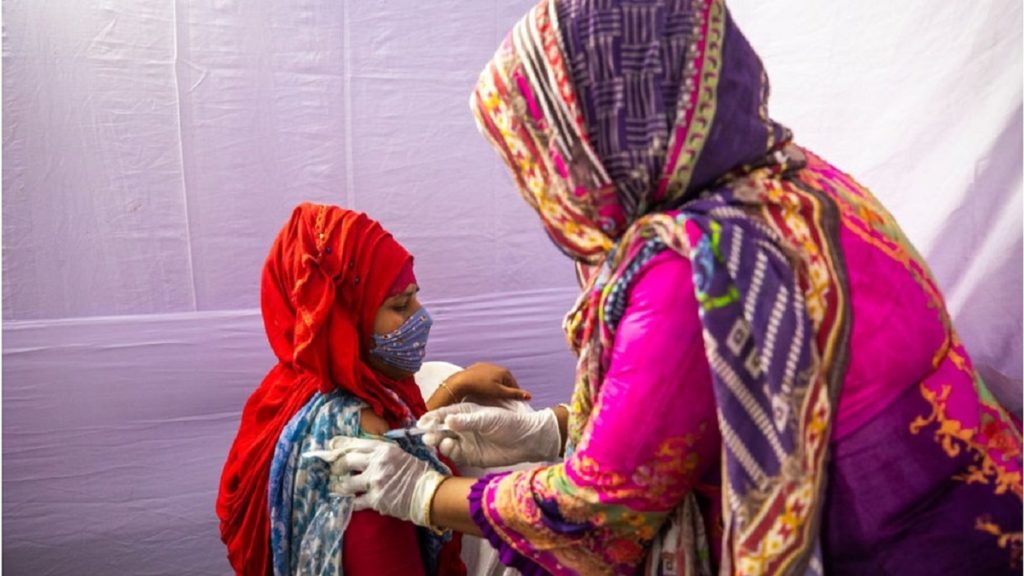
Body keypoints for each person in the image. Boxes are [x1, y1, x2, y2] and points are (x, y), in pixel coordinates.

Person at [316, 1, 1024, 574]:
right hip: (980, 503)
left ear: (600, 136)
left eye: (543, 157)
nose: (542, 191)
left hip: (894, 547)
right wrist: (557, 429)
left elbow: (602, 512)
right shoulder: (797, 183)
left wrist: (428, 493)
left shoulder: (691, 268)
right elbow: (704, 398)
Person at [215, 203, 530, 575]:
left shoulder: (283, 393)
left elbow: (398, 438)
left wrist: (453, 387)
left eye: (415, 297)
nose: (422, 317)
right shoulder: (362, 439)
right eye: (401, 305)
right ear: (345, 319)